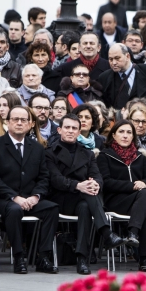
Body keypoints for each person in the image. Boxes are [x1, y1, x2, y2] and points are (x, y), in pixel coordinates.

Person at [45, 114, 126, 275]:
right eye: (67, 127)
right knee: (88, 196)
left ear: (79, 131)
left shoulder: (87, 153)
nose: (70, 131)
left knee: (85, 206)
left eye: (74, 128)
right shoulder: (50, 152)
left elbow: (97, 175)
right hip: (59, 199)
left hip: (82, 200)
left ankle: (82, 259)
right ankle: (106, 233)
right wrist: (78, 185)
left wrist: (96, 184)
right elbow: (55, 179)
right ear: (59, 130)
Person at [0, 105, 60, 275]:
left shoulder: (38, 148)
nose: (19, 123)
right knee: (15, 210)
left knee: (51, 209)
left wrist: (36, 196)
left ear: (30, 124)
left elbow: (44, 177)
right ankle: (19, 257)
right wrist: (13, 197)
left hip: (30, 197)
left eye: (23, 120)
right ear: (7, 123)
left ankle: (43, 257)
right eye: (15, 119)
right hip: (2, 198)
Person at [97, 120, 146, 272]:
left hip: (138, 203)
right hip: (115, 201)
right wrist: (132, 186)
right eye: (121, 132)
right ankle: (142, 256)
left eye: (129, 132)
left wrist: (144, 183)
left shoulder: (140, 157)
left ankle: (134, 236)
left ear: (133, 136)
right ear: (113, 135)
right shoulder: (105, 156)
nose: (125, 135)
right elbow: (106, 182)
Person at [99, 43, 146, 110]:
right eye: (110, 59)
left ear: (127, 56)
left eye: (117, 58)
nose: (113, 62)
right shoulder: (104, 77)